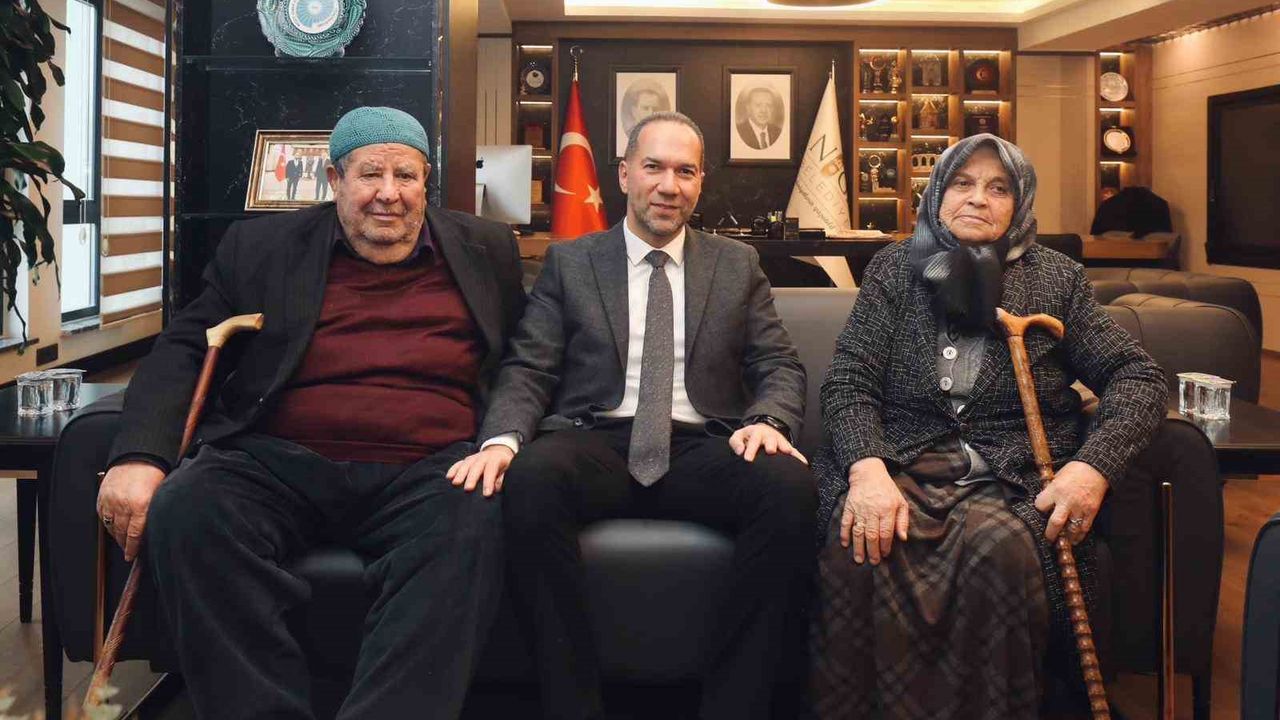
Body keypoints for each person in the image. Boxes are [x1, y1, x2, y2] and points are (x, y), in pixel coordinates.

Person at [96, 106, 527, 720]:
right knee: (189, 509)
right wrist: (141, 454)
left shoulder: (486, 249)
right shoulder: (262, 247)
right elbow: (185, 347)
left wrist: (502, 439)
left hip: (432, 466)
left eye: (406, 176)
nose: (389, 194)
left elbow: (525, 356)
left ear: (425, 181)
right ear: (333, 180)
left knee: (472, 523)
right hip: (277, 460)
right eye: (370, 174)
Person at [447, 111, 816, 720]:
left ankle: (735, 705)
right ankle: (572, 706)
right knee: (530, 480)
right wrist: (503, 440)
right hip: (597, 438)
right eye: (653, 167)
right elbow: (530, 366)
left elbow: (778, 363)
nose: (669, 185)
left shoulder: (736, 264)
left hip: (702, 442)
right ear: (624, 175)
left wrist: (768, 421)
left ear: (700, 182)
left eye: (685, 171)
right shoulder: (572, 261)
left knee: (790, 489)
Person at [807, 134, 1167, 719]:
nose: (978, 198)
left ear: (1019, 203)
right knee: (861, 543)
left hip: (1010, 478)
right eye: (963, 183)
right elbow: (849, 381)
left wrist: (1090, 469)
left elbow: (1138, 378)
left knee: (996, 551)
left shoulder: (1057, 279)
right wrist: (866, 471)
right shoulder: (894, 269)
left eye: (998, 188)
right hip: (898, 465)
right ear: (937, 193)